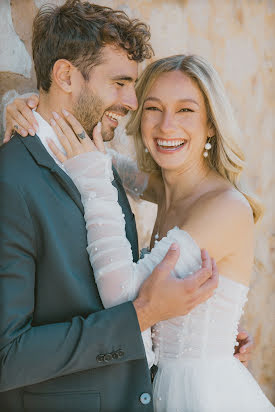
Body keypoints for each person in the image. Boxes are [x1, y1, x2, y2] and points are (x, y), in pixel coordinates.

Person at [0, 2, 223, 411]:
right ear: (66, 75)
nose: (132, 102)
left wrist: (196, 335)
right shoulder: (10, 181)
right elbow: (6, 356)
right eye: (119, 83)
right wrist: (139, 316)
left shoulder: (100, 160)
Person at [28, 54, 273, 411]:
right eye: (153, 108)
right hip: (156, 387)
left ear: (211, 125)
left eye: (186, 110)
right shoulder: (164, 188)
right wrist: (30, 112)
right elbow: (110, 162)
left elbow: (123, 292)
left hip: (203, 395)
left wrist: (92, 178)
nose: (166, 126)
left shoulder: (226, 207)